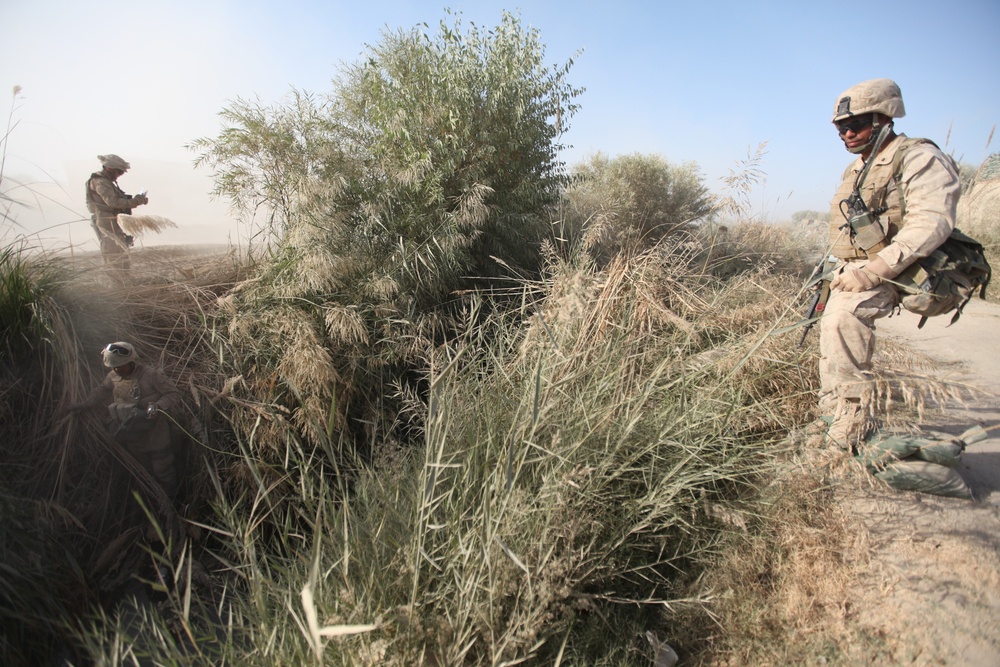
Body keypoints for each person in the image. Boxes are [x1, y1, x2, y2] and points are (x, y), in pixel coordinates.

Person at [819, 78, 961, 450]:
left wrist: (874, 270)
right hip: (858, 268)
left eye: (857, 124)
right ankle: (830, 414)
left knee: (843, 320)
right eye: (841, 127)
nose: (847, 133)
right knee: (830, 338)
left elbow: (932, 222)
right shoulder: (858, 168)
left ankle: (848, 430)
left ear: (886, 119)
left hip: (903, 267)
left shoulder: (918, 157)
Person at [69, 341, 182, 501]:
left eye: (120, 366)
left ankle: (172, 501)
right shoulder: (113, 376)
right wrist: (84, 405)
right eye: (114, 367)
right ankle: (153, 502)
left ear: (131, 361)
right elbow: (101, 391)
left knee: (162, 469)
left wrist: (157, 406)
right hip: (131, 435)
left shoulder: (151, 375)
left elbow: (173, 393)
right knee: (144, 472)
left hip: (155, 433)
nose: (117, 370)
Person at [85, 154, 149, 271]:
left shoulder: (106, 182)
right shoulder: (101, 182)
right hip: (106, 222)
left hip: (112, 221)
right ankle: (117, 283)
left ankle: (124, 281)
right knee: (113, 254)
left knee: (121, 253)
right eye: (119, 173)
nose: (119, 176)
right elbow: (113, 202)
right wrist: (136, 201)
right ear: (109, 169)